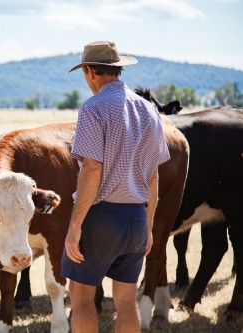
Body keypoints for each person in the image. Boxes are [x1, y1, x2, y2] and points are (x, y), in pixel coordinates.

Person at [61, 41, 170, 333]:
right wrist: (147, 227)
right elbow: (153, 177)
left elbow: (92, 169)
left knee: (81, 297)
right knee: (126, 300)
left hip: (101, 218)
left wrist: (75, 226)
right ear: (118, 69)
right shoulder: (149, 110)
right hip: (136, 217)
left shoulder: (92, 108)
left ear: (89, 72)